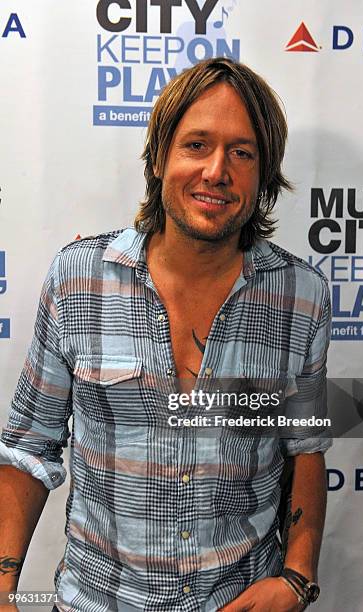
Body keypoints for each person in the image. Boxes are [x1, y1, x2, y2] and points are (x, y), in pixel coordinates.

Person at [0, 58, 332, 611]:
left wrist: (297, 577)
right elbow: (28, 448)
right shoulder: (78, 278)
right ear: (158, 158)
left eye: (242, 152)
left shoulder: (302, 295)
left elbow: (306, 448)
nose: (217, 171)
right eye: (196, 145)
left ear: (264, 175)